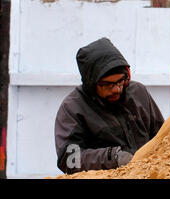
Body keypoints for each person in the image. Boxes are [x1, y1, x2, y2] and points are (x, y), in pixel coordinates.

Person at [54, 37, 164, 174]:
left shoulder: (138, 93)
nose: (117, 89)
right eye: (107, 84)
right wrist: (112, 157)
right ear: (91, 83)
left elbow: (162, 136)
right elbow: (69, 159)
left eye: (120, 81)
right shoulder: (73, 108)